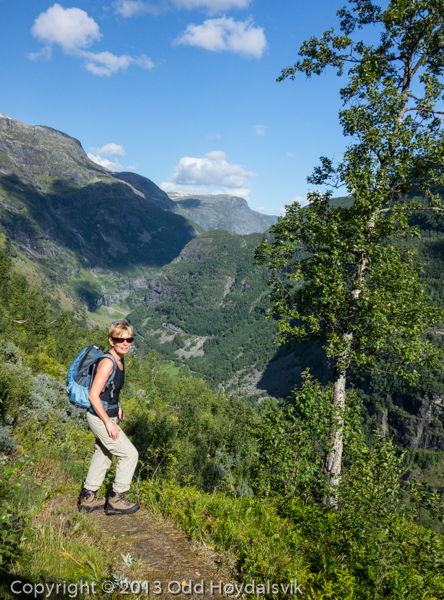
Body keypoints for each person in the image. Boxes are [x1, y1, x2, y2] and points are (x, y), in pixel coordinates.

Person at [78, 321, 140, 515]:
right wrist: (107, 422)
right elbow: (93, 396)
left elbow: (110, 390)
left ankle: (88, 497)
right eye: (120, 340)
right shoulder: (107, 362)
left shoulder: (120, 360)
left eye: (129, 339)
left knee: (104, 455)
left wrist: (118, 405)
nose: (125, 343)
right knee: (130, 454)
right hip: (100, 418)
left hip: (109, 414)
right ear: (111, 341)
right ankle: (116, 498)